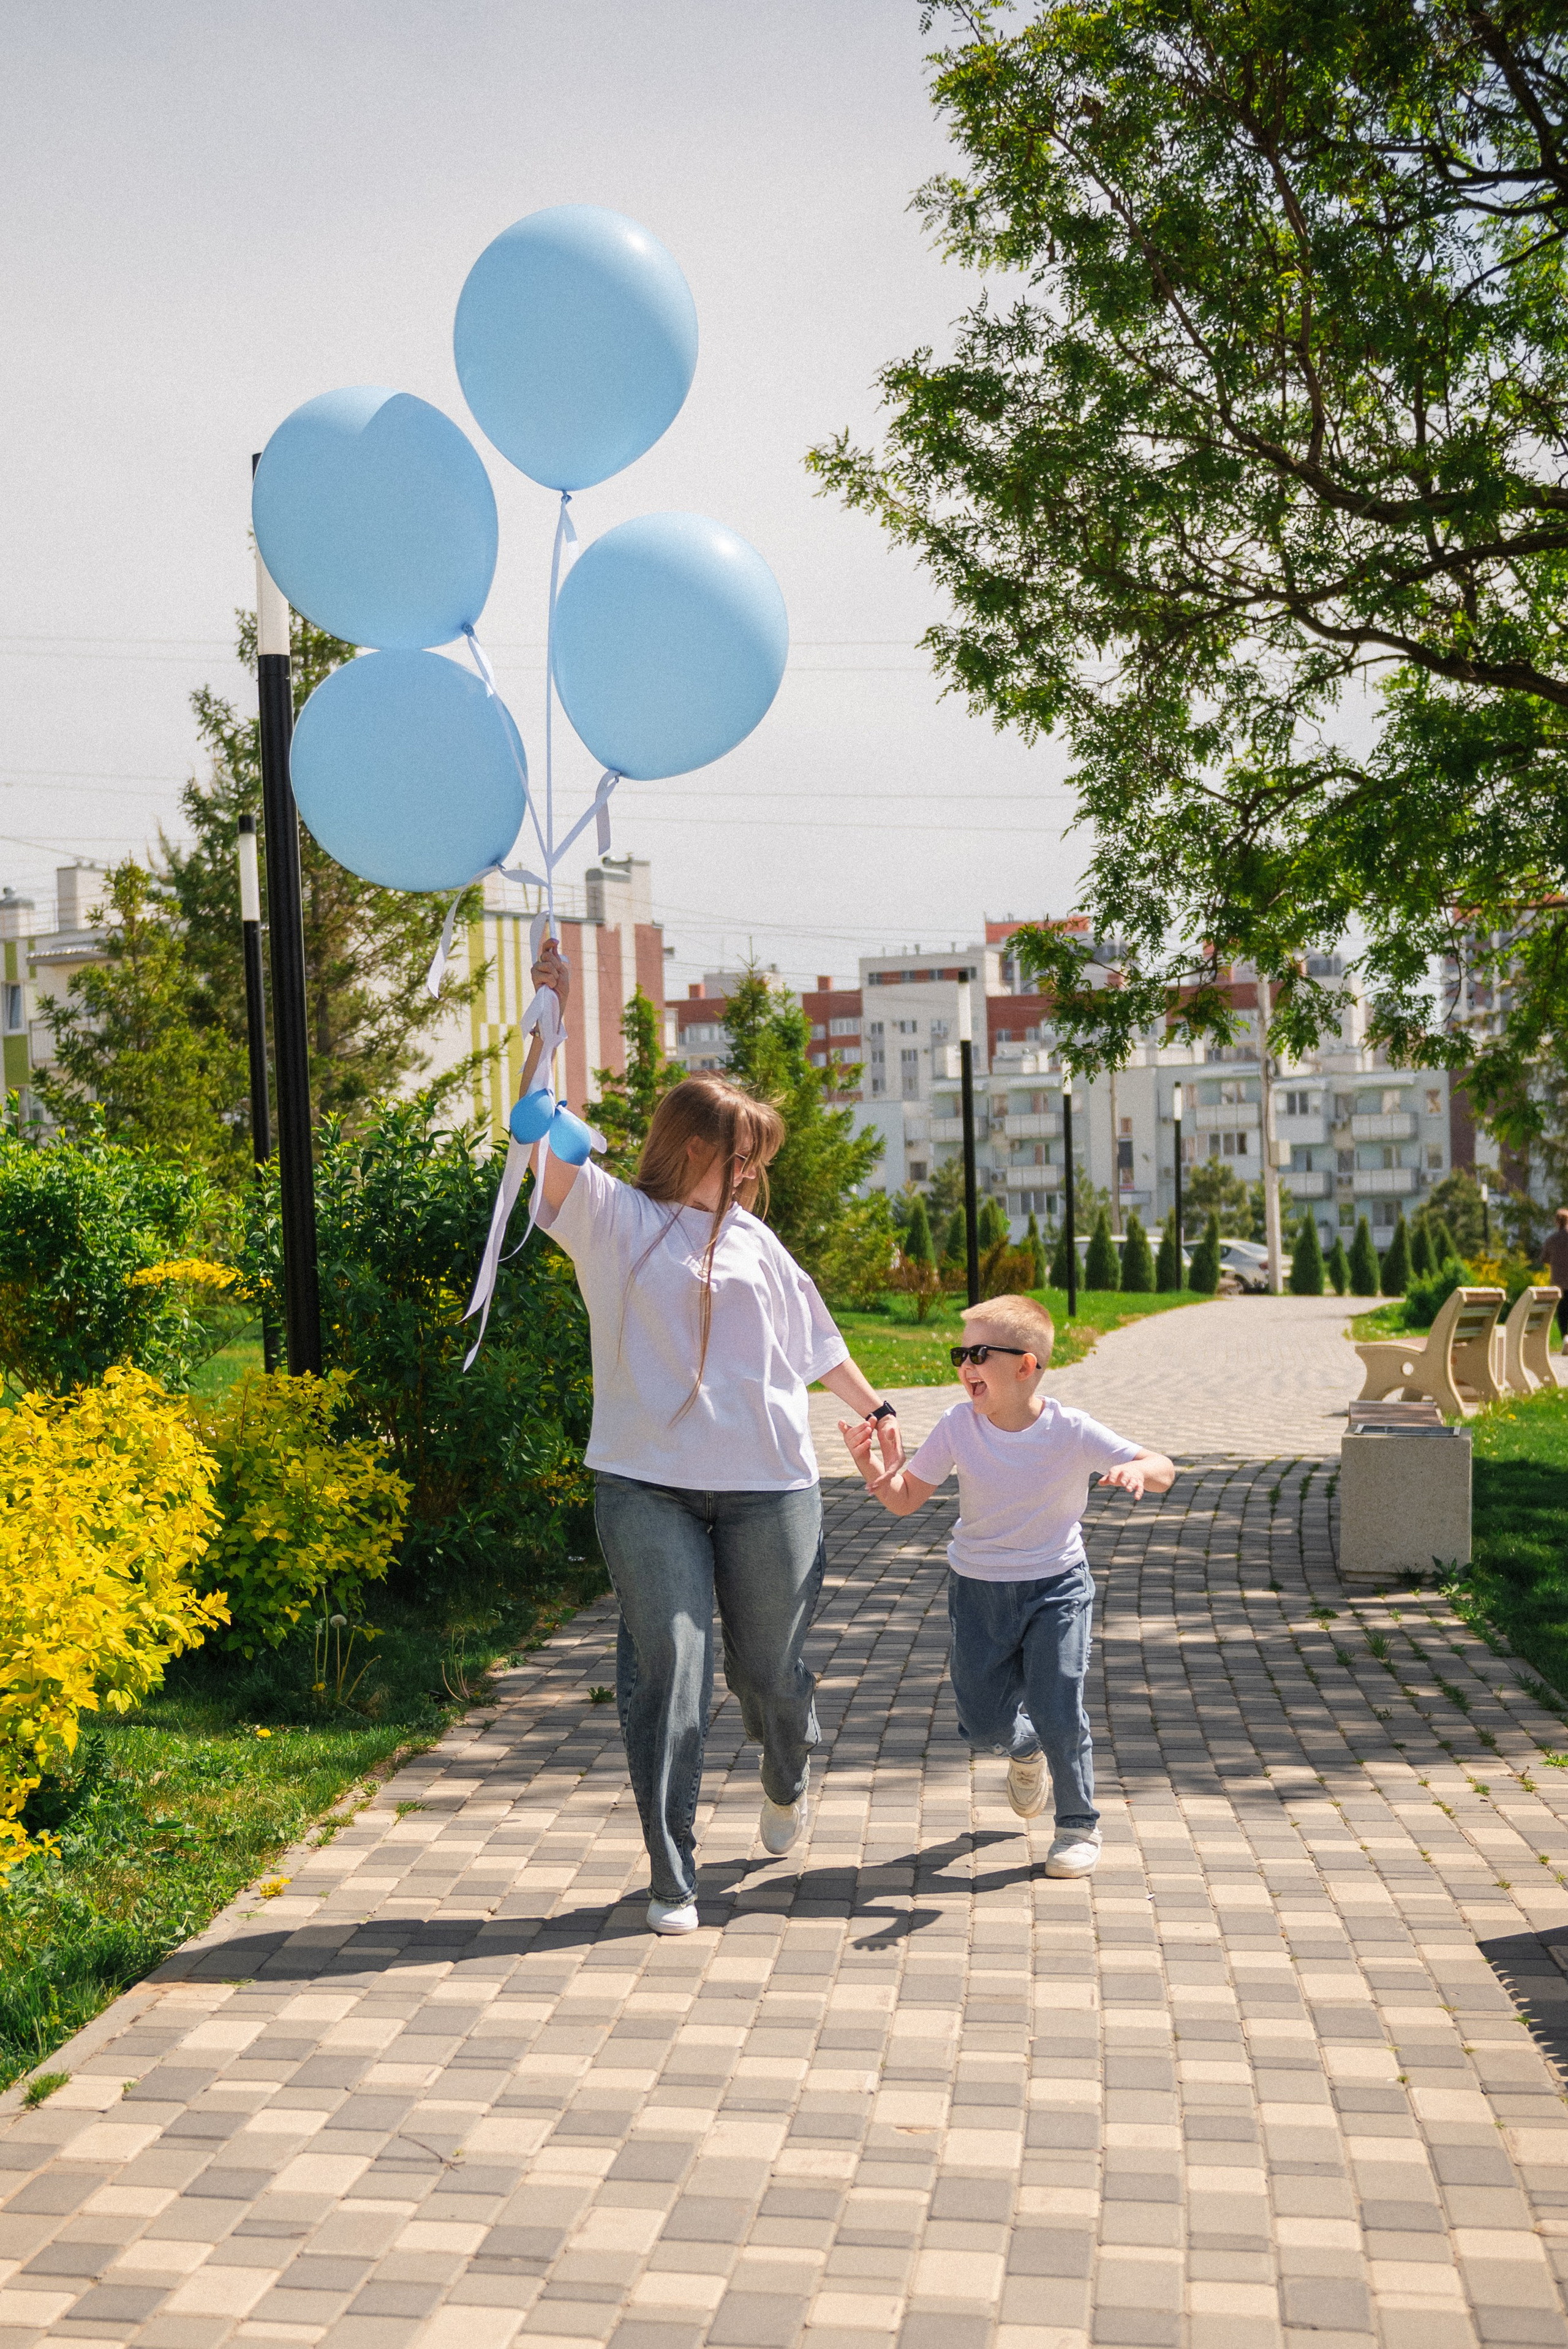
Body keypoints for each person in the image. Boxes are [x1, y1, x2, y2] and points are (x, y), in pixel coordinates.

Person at [517, 940, 902, 1936]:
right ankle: (671, 1871)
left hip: (772, 1486)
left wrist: (880, 1414)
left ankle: (788, 1760)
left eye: (755, 1158)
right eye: (738, 1153)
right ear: (689, 1144)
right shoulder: (612, 1217)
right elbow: (533, 1140)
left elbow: (821, 1347)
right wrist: (545, 1018)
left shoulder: (759, 1244)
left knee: (764, 1672)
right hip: (645, 1487)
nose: (749, 1171)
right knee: (671, 1664)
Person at [840, 1292, 1174, 1878]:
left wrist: (1134, 1469)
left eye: (979, 1353)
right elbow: (904, 1498)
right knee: (983, 1722)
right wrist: (873, 1467)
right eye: (960, 1353)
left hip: (1057, 1587)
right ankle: (1024, 1749)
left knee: (1059, 1702)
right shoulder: (958, 1426)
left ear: (1026, 1365)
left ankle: (1077, 1823)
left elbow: (1164, 1467)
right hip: (979, 1590)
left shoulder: (1070, 1429)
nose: (966, 1365)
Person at [1543, 1208, 1568, 1345]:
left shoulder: (1552, 1240)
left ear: (1557, 1222)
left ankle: (1566, 1337)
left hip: (1558, 1282)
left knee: (1563, 1312)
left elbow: (1544, 1258)